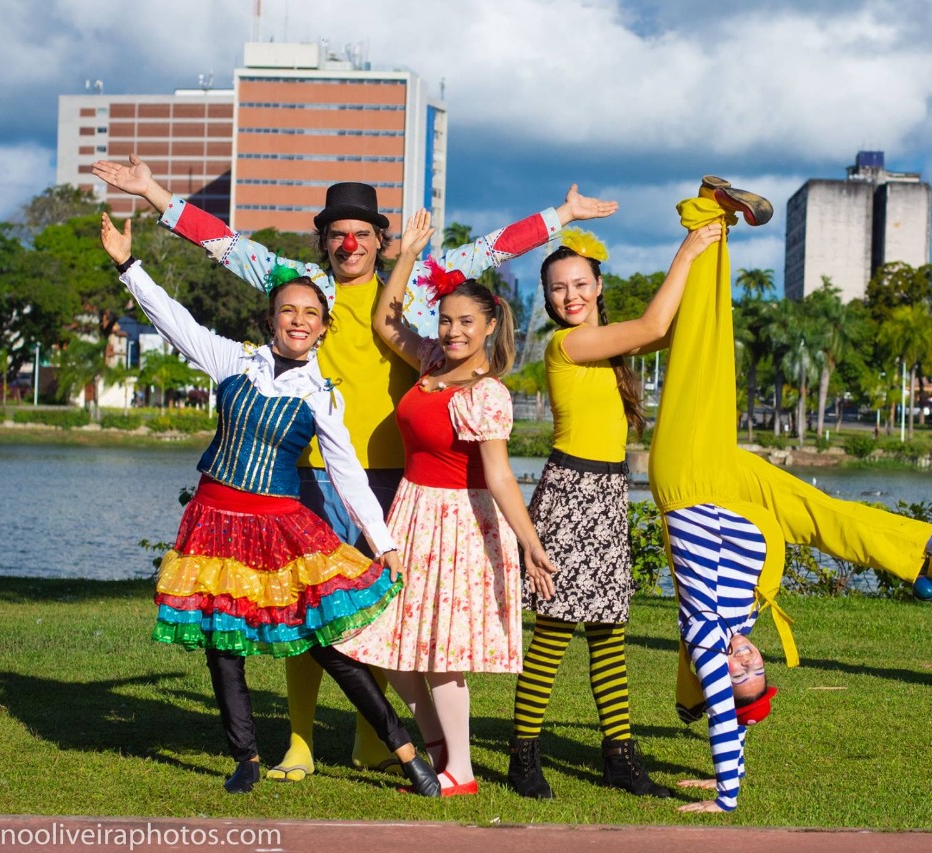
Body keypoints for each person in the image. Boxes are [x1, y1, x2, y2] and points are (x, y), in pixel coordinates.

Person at [91, 155, 616, 782]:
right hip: (307, 474)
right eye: (339, 233)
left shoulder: (420, 283)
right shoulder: (302, 283)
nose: (350, 244)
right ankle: (301, 742)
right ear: (324, 241)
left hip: (397, 481)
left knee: (375, 614)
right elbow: (224, 246)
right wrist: (151, 190)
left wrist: (563, 215)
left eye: (363, 233)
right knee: (305, 605)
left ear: (379, 241)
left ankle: (374, 735)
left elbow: (490, 250)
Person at [648, 177, 932, 813]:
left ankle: (709, 212)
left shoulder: (710, 641)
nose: (746, 661)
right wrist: (726, 760)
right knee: (818, 514)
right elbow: (730, 701)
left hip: (694, 478)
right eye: (754, 669)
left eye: (737, 674)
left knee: (704, 347)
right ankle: (925, 545)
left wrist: (724, 789)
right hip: (723, 490)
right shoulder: (736, 624)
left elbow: (721, 697)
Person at [97, 213, 440, 798]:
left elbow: (349, 474)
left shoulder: (321, 396)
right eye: (289, 310)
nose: (299, 320)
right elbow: (173, 320)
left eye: (311, 313)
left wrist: (383, 544)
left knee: (325, 640)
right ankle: (246, 756)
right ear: (272, 319)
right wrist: (130, 267)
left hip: (280, 527)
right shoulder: (233, 361)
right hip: (214, 521)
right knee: (221, 642)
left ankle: (406, 751)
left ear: (324, 329)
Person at [334, 210, 556, 796]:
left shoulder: (486, 393)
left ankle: (460, 768)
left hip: (458, 522)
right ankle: (436, 747)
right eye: (446, 320)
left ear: (488, 327)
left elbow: (501, 477)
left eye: (465, 323)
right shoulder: (432, 364)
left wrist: (530, 544)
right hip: (409, 513)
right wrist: (405, 253)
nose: (453, 331)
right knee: (391, 641)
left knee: (440, 650)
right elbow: (385, 318)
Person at [505, 222, 722, 800]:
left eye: (579, 284)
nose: (569, 296)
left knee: (608, 634)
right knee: (553, 632)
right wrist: (689, 248)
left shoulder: (611, 349)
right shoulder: (565, 345)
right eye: (557, 288)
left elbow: (673, 330)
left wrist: (709, 263)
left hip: (605, 494)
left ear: (599, 286)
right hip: (572, 493)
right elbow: (655, 324)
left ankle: (619, 760)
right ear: (548, 300)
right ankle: (522, 757)